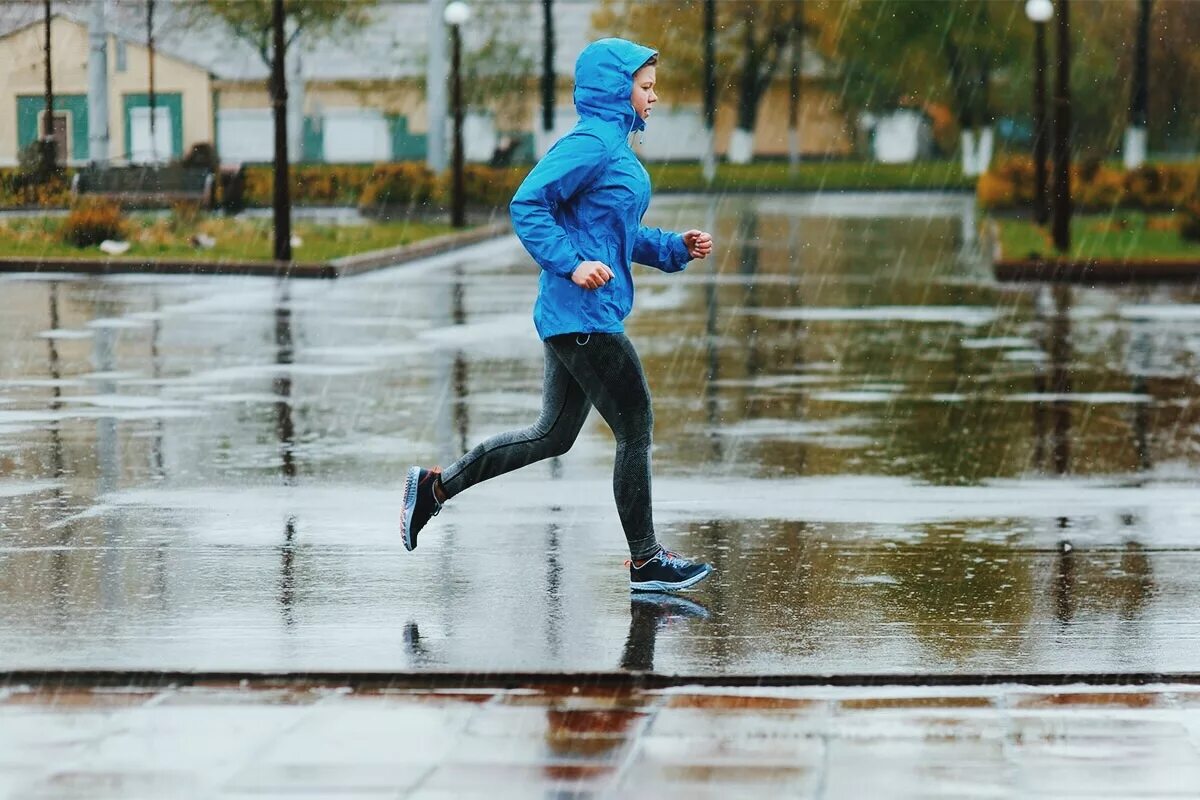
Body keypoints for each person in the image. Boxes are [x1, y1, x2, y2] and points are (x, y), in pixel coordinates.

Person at [402, 38, 714, 593]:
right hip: (583, 315)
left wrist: (674, 248)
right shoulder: (594, 142)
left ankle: (434, 489)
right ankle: (646, 561)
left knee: (551, 435)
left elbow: (615, 233)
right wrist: (571, 265)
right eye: (645, 87)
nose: (654, 97)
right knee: (635, 425)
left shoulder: (613, 146)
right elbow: (527, 202)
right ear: (618, 89)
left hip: (580, 315)